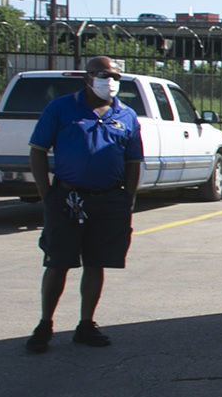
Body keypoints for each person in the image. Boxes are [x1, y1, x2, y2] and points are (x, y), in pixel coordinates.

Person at [25, 55, 143, 354]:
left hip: (108, 199)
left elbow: (133, 161)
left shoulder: (126, 115)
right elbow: (38, 150)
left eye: (116, 76)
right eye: (103, 75)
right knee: (58, 262)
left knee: (96, 262)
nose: (110, 81)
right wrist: (46, 194)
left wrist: (127, 197)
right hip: (67, 198)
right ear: (87, 77)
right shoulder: (61, 108)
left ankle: (86, 324)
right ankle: (45, 324)